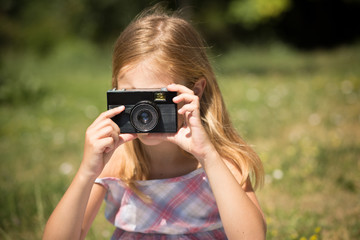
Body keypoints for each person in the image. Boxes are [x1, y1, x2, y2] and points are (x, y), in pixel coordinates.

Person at [43, 6, 266, 240]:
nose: (144, 113)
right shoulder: (118, 162)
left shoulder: (219, 162)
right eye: (132, 96)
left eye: (155, 98)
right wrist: (87, 172)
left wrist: (208, 156)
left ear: (195, 91)